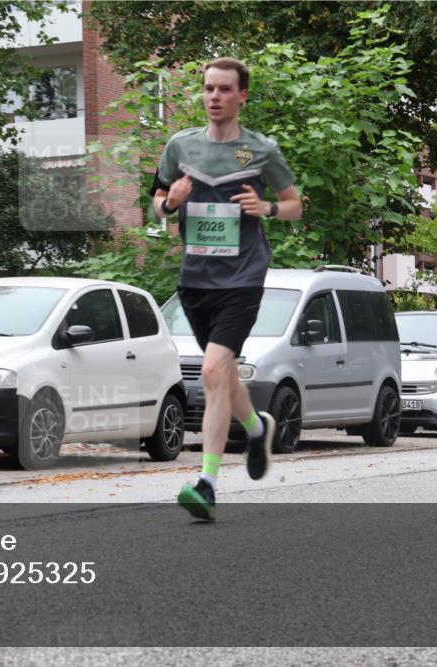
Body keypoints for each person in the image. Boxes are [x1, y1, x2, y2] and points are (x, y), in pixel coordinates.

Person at [151, 58, 303, 521]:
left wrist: (267, 210)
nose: (214, 96)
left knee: (214, 371)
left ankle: (207, 483)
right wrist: (170, 204)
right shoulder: (180, 146)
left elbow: (294, 204)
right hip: (195, 278)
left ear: (242, 96)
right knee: (225, 375)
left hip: (243, 276)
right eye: (208, 89)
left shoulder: (261, 151)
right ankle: (257, 430)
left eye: (224, 90)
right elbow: (156, 201)